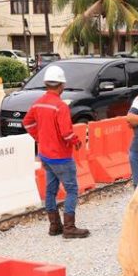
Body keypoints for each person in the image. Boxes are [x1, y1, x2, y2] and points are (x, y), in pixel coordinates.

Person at [22, 64, 89, 239]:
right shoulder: (60, 106)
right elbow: (67, 133)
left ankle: (54, 226)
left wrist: (39, 137)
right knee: (72, 190)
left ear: (46, 84)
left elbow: (27, 123)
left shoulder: (38, 104)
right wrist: (76, 141)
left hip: (45, 155)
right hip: (61, 157)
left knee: (50, 191)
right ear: (61, 85)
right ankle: (69, 227)